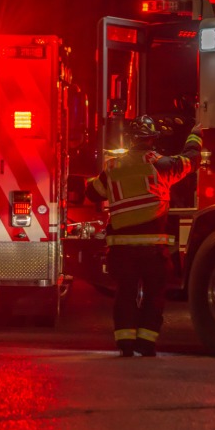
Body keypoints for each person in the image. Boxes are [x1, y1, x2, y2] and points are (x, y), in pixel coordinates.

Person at [86, 115, 202, 357]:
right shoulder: (161, 165)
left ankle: (125, 344)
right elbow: (191, 161)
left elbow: (92, 193)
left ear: (130, 140)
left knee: (125, 294)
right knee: (154, 296)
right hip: (152, 250)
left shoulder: (113, 168)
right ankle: (146, 344)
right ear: (152, 139)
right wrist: (196, 134)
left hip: (121, 249)